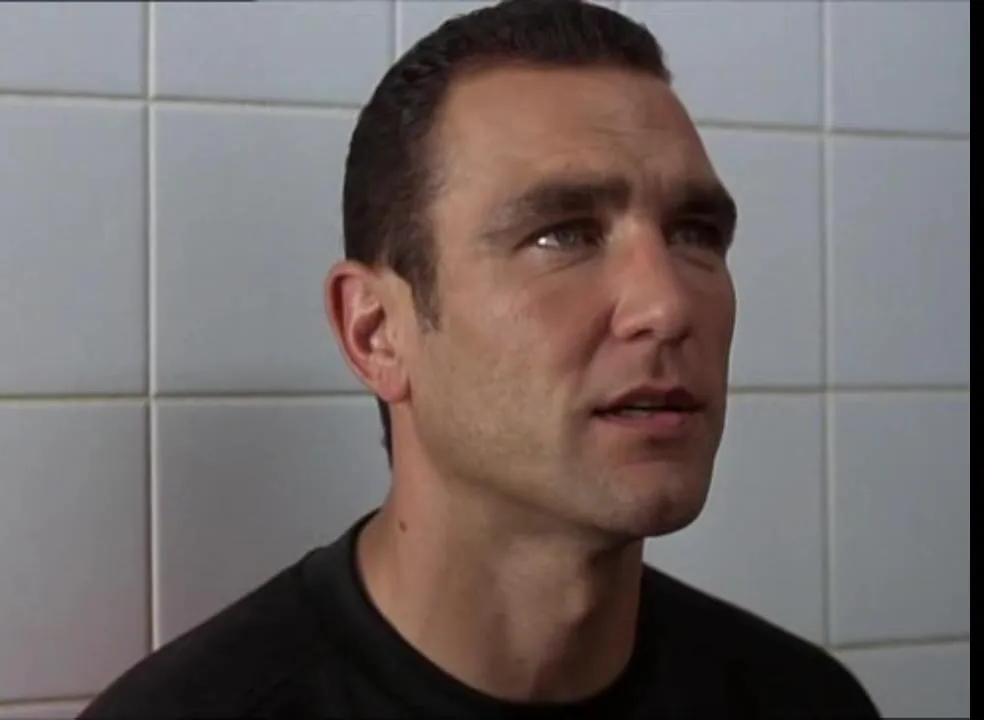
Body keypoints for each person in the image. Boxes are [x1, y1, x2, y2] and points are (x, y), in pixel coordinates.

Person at [79, 0, 881, 717]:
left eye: (694, 234)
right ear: (376, 332)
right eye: (562, 234)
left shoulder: (803, 702)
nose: (666, 305)